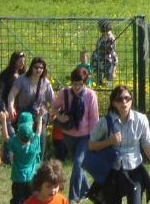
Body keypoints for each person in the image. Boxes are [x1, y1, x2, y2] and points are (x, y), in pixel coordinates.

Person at [88, 85, 150, 204]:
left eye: (127, 98)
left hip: (134, 170)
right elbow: (91, 145)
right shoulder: (105, 122)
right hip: (112, 172)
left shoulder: (141, 119)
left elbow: (148, 146)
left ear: (131, 100)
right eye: (119, 99)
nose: (124, 102)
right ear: (114, 103)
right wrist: (109, 142)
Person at [51, 67, 99, 204]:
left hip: (85, 136)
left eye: (80, 84)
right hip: (68, 135)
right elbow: (54, 107)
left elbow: (94, 119)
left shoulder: (90, 95)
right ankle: (88, 192)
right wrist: (60, 117)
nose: (77, 87)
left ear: (85, 82)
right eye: (74, 84)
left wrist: (93, 139)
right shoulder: (64, 93)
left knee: (78, 164)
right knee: (79, 166)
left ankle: (73, 198)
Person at [8, 57, 54, 142]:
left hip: (41, 114)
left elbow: (52, 100)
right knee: (24, 138)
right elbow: (12, 94)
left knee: (40, 139)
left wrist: (53, 112)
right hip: (25, 114)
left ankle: (40, 155)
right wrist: (11, 107)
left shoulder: (46, 82)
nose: (38, 70)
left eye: (41, 68)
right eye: (36, 67)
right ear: (31, 67)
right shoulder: (22, 79)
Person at [5, 113, 41, 204]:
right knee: (30, 199)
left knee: (16, 199)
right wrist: (40, 117)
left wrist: (3, 121)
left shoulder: (15, 144)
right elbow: (38, 132)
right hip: (30, 179)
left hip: (17, 179)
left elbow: (6, 138)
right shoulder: (33, 147)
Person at [0, 52, 27, 138]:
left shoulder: (24, 76)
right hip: (6, 107)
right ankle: (8, 150)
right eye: (20, 61)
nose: (22, 64)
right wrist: (2, 109)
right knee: (11, 136)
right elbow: (0, 94)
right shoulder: (4, 75)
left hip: (19, 108)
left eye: (23, 61)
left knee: (20, 135)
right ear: (14, 61)